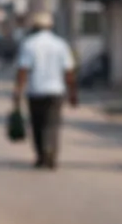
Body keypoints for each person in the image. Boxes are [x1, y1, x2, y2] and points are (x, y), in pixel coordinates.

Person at [13, 12, 77, 170]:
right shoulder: (60, 44)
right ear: (50, 26)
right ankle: (52, 156)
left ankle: (41, 156)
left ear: (34, 27)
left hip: (36, 90)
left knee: (37, 124)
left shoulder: (29, 44)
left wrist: (18, 91)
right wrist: (73, 93)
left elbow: (23, 70)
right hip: (56, 91)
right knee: (53, 124)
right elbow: (68, 71)